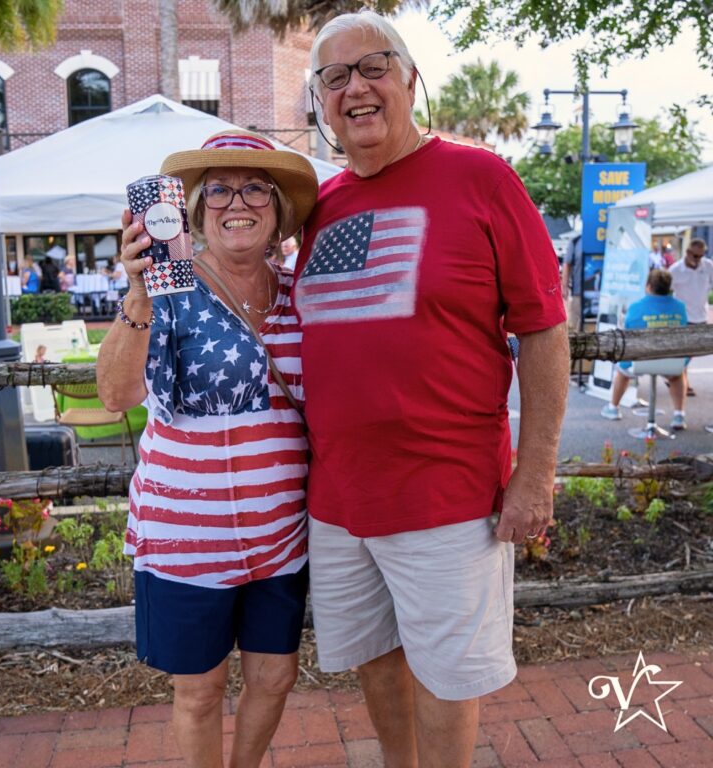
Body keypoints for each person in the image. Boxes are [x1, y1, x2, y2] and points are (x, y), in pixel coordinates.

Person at [295, 11, 569, 768]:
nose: (357, 87)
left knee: (450, 677)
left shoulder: (481, 178)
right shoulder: (320, 209)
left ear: (411, 79)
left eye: (374, 66)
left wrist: (535, 475)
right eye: (335, 77)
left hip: (449, 495)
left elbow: (544, 331)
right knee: (375, 659)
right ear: (321, 102)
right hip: (340, 500)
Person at [96, 130, 318, 768]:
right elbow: (114, 393)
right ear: (193, 213)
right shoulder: (167, 292)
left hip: (281, 537)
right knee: (199, 692)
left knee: (275, 678)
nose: (235, 201)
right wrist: (138, 291)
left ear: (276, 211)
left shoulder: (299, 296)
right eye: (217, 188)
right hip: (187, 538)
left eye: (254, 188)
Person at [600, 270, 688, 428]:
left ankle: (613, 408)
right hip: (670, 362)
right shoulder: (680, 307)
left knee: (622, 372)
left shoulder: (635, 308)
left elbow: (627, 337)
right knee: (677, 376)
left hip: (640, 361)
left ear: (648, 286)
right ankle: (679, 416)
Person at [668, 238, 713, 397]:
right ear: (687, 253)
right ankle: (683, 381)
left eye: (701, 255)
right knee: (683, 352)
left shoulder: (708, 266)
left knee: (691, 352)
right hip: (682, 316)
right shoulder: (675, 270)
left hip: (700, 315)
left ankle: (674, 375)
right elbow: (667, 293)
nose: (698, 259)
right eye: (695, 256)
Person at [562, 233, 583, 331]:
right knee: (573, 327)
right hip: (578, 294)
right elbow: (567, 264)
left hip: (603, 295)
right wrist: (564, 287)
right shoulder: (576, 241)